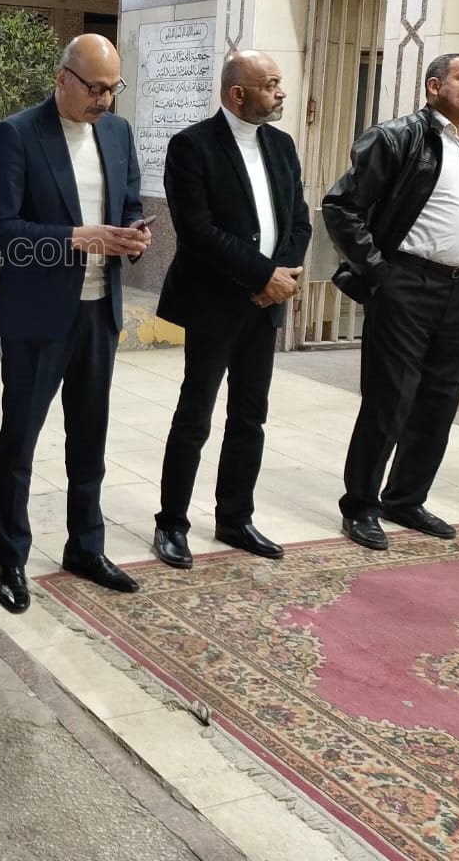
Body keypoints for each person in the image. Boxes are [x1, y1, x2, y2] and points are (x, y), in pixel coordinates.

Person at [0, 34, 150, 614]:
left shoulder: (117, 133)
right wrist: (78, 239)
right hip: (38, 316)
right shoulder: (18, 134)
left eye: (112, 88)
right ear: (63, 79)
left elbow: (128, 205)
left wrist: (133, 235)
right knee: (20, 442)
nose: (104, 99)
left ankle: (86, 547)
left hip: (100, 311)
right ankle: (12, 561)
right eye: (95, 88)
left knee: (90, 437)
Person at [323, 53, 459, 551]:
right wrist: (379, 274)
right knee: (389, 400)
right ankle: (360, 506)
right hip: (405, 283)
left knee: (438, 402)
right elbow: (341, 207)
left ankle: (406, 499)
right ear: (433, 86)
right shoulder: (396, 138)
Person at [152, 51, 311, 569]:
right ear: (237, 93)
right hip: (215, 303)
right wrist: (262, 275)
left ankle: (235, 517)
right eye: (271, 84)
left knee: (250, 416)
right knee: (194, 416)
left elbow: (299, 222)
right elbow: (197, 231)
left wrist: (281, 278)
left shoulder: (281, 146)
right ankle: (171, 523)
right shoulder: (192, 146)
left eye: (280, 83)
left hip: (265, 306)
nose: (281, 92)